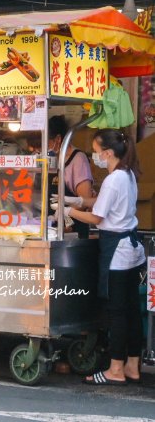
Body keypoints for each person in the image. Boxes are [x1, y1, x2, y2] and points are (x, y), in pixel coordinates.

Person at [63, 129, 145, 385]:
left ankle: (116, 369)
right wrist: (76, 200)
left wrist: (69, 211)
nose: (94, 156)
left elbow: (97, 218)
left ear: (108, 153)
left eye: (96, 152)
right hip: (130, 249)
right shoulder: (127, 173)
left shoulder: (113, 180)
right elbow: (100, 203)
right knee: (131, 309)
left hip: (117, 251)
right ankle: (132, 364)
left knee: (117, 311)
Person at [47, 115, 96, 236]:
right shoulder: (48, 158)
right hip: (50, 226)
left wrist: (65, 216)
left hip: (73, 230)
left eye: (46, 141)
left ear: (58, 139)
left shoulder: (78, 159)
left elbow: (85, 199)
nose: (42, 146)